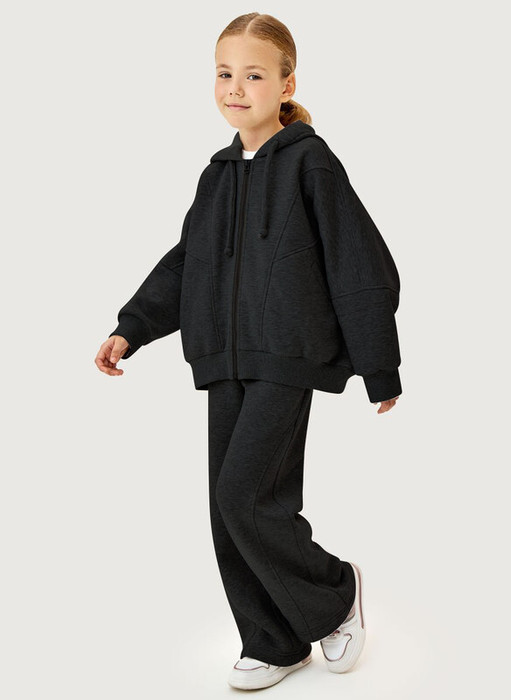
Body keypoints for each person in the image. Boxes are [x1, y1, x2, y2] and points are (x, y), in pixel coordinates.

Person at [95, 12, 402, 691]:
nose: (236, 87)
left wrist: (378, 362)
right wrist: (132, 327)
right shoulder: (216, 176)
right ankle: (272, 640)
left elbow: (358, 261)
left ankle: (335, 593)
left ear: (286, 84)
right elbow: (186, 263)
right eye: (224, 73)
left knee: (244, 496)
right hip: (224, 359)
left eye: (254, 75)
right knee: (228, 508)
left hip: (288, 355)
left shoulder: (311, 163)